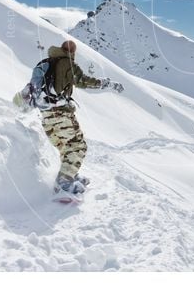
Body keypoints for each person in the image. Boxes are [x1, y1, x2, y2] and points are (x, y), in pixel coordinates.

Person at [17, 40, 123, 195]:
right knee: (78, 146)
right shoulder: (68, 64)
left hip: (46, 115)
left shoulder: (47, 62)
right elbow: (84, 81)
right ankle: (64, 183)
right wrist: (107, 84)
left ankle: (70, 173)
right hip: (60, 113)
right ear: (72, 52)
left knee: (66, 147)